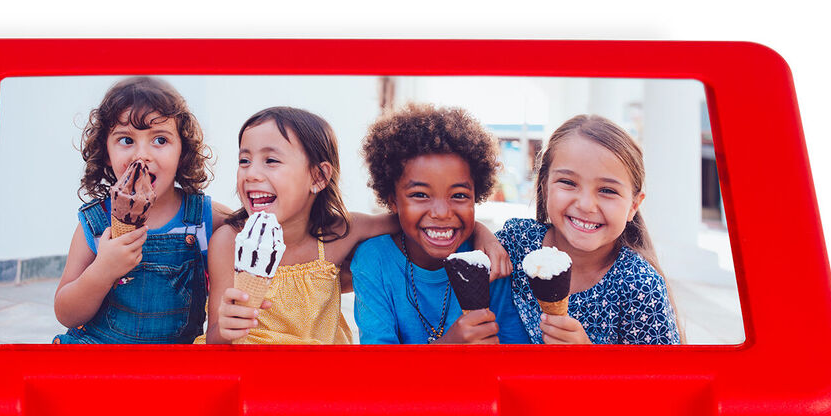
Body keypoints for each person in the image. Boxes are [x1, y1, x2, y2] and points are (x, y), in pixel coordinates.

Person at [199, 106, 511, 345]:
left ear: (319, 177)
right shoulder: (229, 241)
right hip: (255, 381)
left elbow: (413, 219)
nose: (252, 173)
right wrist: (225, 329)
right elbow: (215, 340)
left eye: (270, 160)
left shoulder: (338, 234)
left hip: (325, 381)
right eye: (244, 160)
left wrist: (483, 234)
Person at [52, 76, 231, 344]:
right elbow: (66, 314)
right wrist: (102, 270)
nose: (141, 155)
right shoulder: (97, 222)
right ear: (106, 151)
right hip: (100, 353)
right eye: (126, 140)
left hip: (171, 365)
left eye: (160, 140)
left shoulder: (204, 219)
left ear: (182, 151)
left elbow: (256, 227)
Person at [350, 103, 528, 344]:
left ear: (477, 197)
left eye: (459, 196)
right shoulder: (374, 260)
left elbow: (514, 351)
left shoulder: (489, 259)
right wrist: (447, 349)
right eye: (420, 195)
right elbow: (379, 372)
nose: (442, 213)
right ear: (392, 200)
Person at [497, 114, 682, 345]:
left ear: (634, 205)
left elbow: (661, 379)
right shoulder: (516, 242)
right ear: (544, 186)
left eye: (607, 190)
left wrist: (588, 358)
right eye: (568, 182)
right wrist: (478, 233)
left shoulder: (640, 286)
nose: (585, 204)